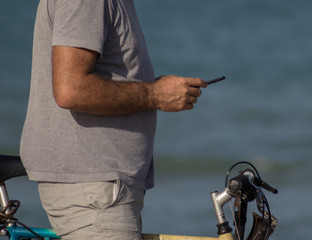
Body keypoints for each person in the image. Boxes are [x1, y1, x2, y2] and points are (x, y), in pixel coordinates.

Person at [20, 1, 207, 240]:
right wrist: (156, 94)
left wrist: (155, 90)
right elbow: (71, 90)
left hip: (101, 192)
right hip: (95, 193)